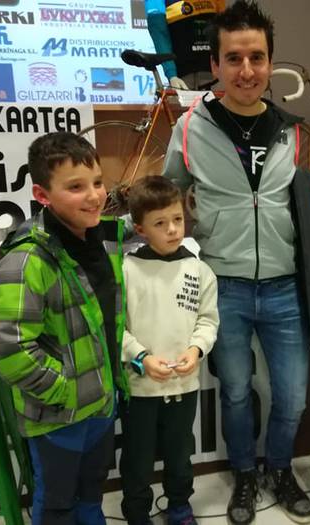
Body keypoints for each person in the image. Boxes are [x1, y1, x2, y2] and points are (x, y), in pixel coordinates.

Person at [162, 1, 310, 523]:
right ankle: (244, 474)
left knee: (292, 396)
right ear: (215, 65)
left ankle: (279, 467)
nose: (247, 70)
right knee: (234, 392)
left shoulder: (292, 130)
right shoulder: (190, 126)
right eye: (234, 58)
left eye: (257, 57)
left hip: (285, 288)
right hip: (224, 288)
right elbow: (169, 195)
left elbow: (308, 201)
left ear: (270, 62)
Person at [0, 132, 128, 525]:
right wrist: (65, 391)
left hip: (101, 405)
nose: (94, 196)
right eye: (76, 187)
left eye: (97, 182)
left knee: (91, 493)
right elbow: (7, 349)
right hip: (58, 418)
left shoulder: (103, 237)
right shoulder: (26, 260)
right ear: (42, 194)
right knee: (57, 504)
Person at [118, 176, 219, 525]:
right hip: (139, 387)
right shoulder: (126, 270)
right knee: (138, 456)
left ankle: (179, 505)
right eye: (160, 223)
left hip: (182, 384)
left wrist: (197, 349)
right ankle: (137, 512)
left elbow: (207, 320)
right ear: (140, 229)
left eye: (177, 219)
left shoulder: (199, 270)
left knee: (180, 452)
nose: (173, 229)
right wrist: (141, 357)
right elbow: (116, 328)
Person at [145, 0, 226, 89]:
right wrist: (171, 74)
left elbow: (224, 29)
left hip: (217, 74)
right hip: (183, 76)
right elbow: (160, 34)